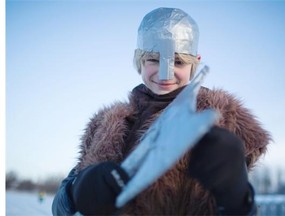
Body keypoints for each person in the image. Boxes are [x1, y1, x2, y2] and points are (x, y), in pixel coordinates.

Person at [52, 7, 271, 216]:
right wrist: (76, 191)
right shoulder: (107, 123)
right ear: (140, 59)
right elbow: (59, 208)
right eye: (154, 60)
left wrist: (236, 196)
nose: (166, 74)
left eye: (178, 61)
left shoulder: (225, 120)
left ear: (195, 63)